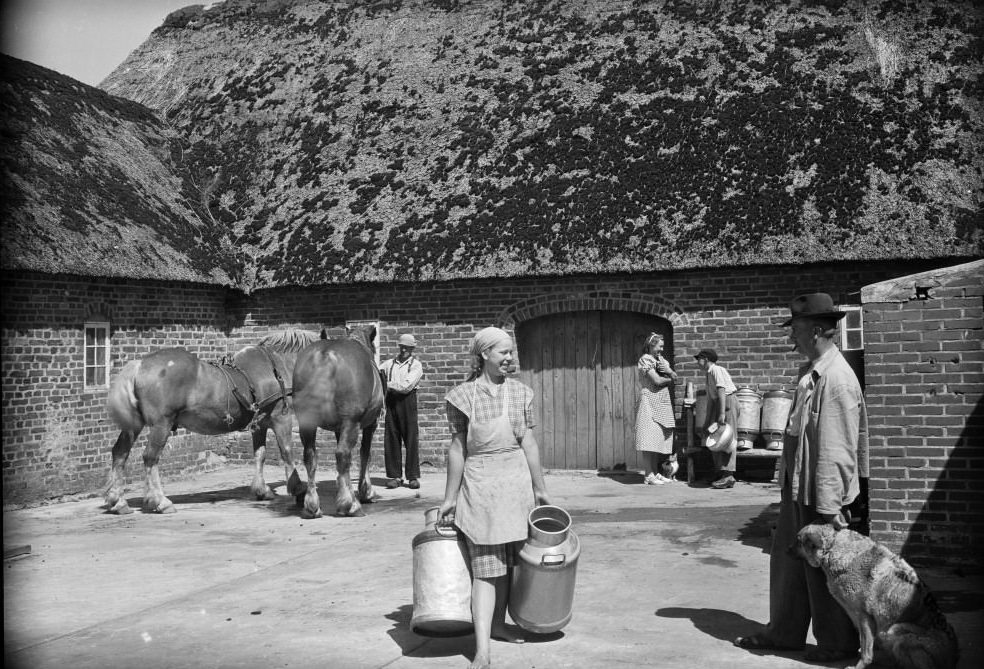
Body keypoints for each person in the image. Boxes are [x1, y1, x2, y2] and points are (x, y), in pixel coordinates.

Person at [733, 293, 869, 663]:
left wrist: (829, 508)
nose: (791, 338)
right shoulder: (810, 373)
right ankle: (784, 633)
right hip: (799, 486)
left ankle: (837, 645)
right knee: (790, 565)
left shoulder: (837, 380)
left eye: (796, 330)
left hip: (820, 492)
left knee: (826, 574)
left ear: (819, 330)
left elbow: (838, 449)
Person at [438, 327, 551, 669]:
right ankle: (482, 648)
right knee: (486, 570)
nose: (510, 358)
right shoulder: (462, 396)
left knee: (510, 566)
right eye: (503, 352)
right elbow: (458, 449)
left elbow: (528, 443)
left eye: (512, 353)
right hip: (481, 489)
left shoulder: (521, 393)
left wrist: (540, 488)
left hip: (514, 487)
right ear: (484, 354)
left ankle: (499, 625)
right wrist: (449, 498)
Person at [379, 333, 423, 489]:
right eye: (402, 346)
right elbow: (377, 373)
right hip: (391, 403)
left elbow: (406, 386)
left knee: (411, 439)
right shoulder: (389, 364)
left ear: (412, 348)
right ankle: (395, 476)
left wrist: (386, 383)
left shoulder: (416, 365)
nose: (404, 349)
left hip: (407, 403)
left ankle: (412, 476)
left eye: (407, 347)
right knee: (391, 438)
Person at [635, 332, 677, 485]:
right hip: (649, 400)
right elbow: (657, 380)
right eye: (660, 346)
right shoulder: (645, 359)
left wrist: (670, 372)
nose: (661, 349)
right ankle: (648, 475)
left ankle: (655, 472)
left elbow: (674, 376)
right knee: (648, 439)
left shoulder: (661, 360)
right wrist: (669, 378)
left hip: (661, 401)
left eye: (663, 347)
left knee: (657, 438)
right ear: (651, 345)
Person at [694, 348, 739, 489]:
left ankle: (729, 475)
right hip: (718, 404)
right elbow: (711, 401)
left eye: (699, 359)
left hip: (727, 402)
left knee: (727, 437)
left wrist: (722, 413)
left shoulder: (716, 370)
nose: (697, 362)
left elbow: (721, 390)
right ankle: (720, 472)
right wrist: (707, 424)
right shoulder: (708, 374)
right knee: (714, 436)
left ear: (706, 359)